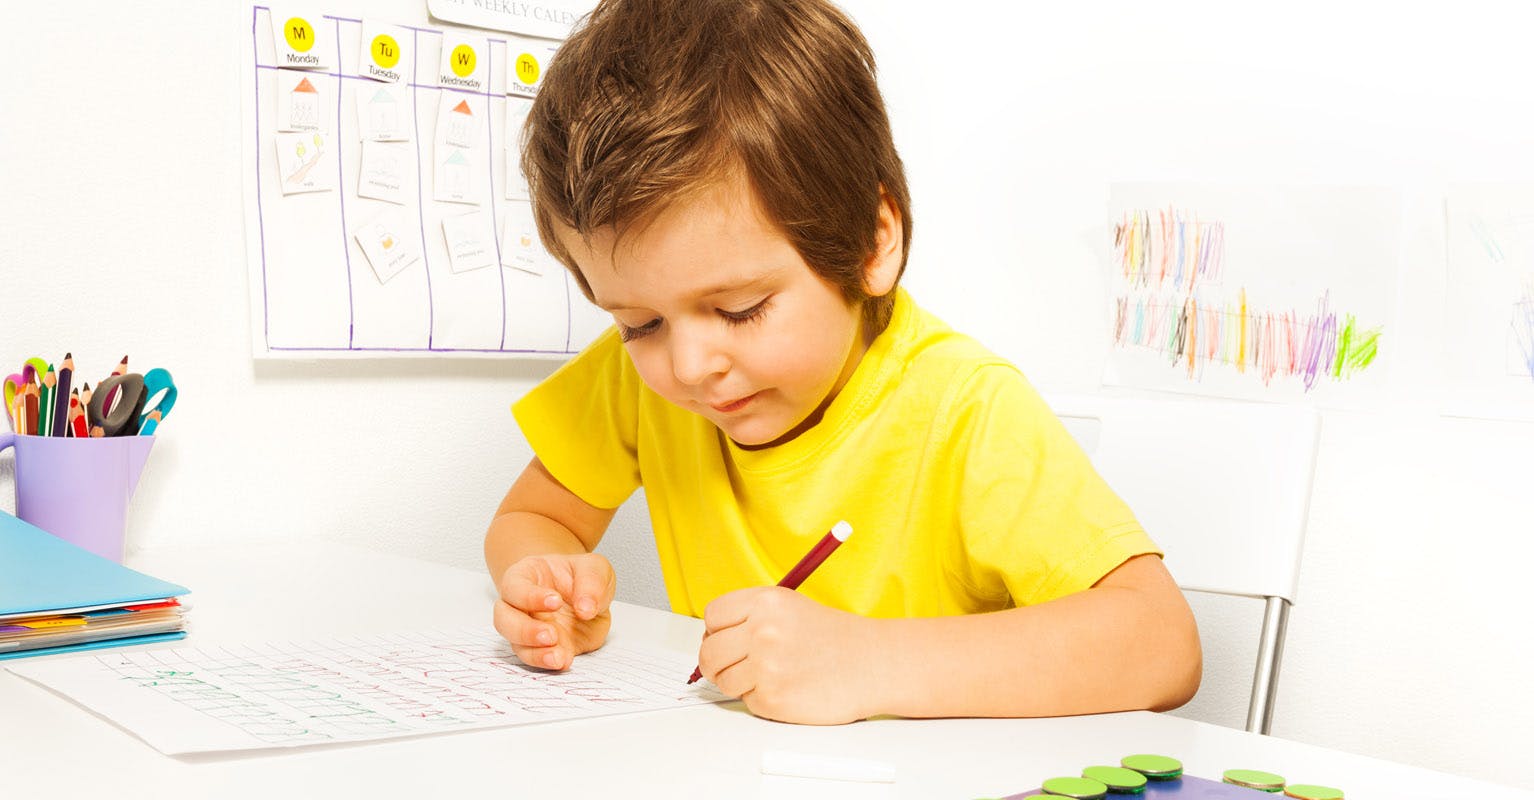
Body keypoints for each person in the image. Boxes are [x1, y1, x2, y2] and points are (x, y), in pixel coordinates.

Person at [485, 0, 1201, 725]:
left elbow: (1162, 643)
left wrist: (869, 662)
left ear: (871, 243)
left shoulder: (964, 410)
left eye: (740, 309)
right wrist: (547, 581)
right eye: (639, 322)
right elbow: (535, 517)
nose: (693, 363)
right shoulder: (639, 378)